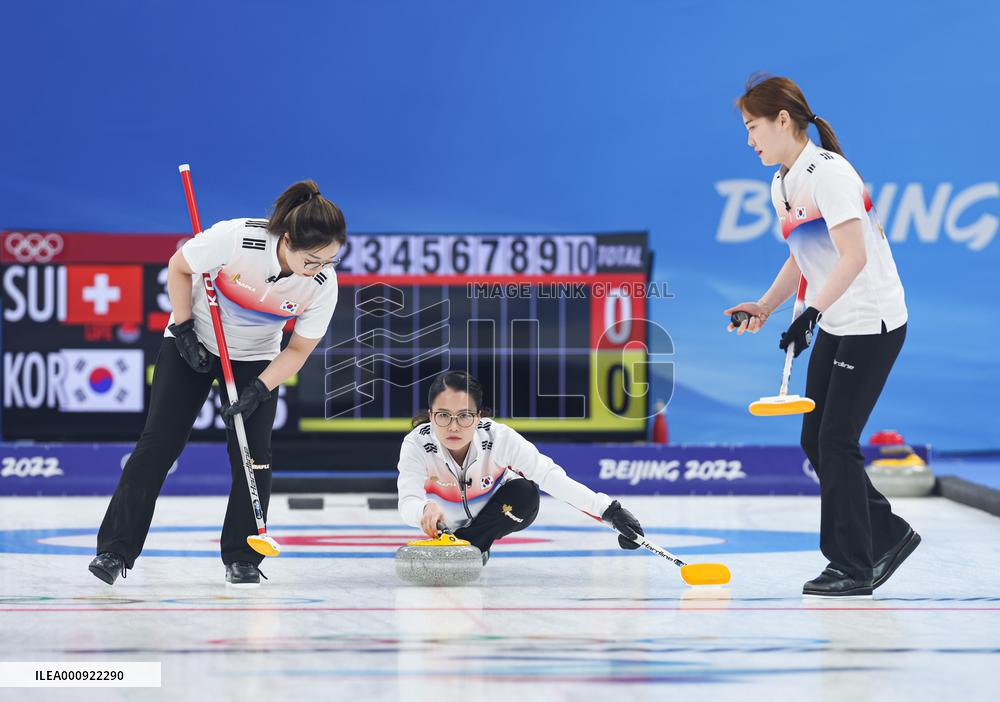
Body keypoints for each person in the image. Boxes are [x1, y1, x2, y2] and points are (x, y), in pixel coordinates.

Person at [89, 180, 346, 587]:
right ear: (289, 239)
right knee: (159, 445)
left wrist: (260, 388)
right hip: (194, 341)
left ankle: (243, 557)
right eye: (313, 259)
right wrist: (184, 327)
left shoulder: (321, 285)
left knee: (253, 455)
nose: (321, 269)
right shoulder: (237, 238)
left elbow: (297, 350)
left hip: (258, 358)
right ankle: (114, 550)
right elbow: (179, 266)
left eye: (330, 260)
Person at [725, 75, 920, 598]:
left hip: (872, 320)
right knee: (816, 439)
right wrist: (766, 306)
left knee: (836, 441)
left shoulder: (830, 174)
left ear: (782, 120)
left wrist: (809, 314)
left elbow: (854, 256)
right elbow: (802, 254)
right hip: (835, 317)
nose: (750, 141)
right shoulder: (781, 182)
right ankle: (889, 533)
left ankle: (853, 565)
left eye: (753, 127)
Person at [396, 371, 645, 563]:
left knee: (525, 493)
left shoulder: (499, 438)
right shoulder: (417, 444)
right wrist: (423, 510)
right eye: (443, 415)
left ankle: (471, 547)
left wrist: (610, 512)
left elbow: (548, 475)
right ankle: (463, 546)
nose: (453, 426)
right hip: (443, 525)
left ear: (479, 416)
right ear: (430, 416)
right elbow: (408, 500)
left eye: (464, 415)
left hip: (498, 513)